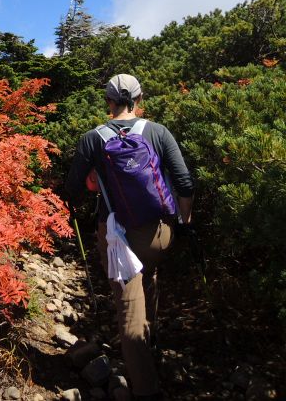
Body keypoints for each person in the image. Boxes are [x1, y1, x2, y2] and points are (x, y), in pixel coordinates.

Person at [64, 74, 194, 401]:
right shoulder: (158, 132)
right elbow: (184, 182)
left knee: (129, 309)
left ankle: (145, 389)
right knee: (149, 275)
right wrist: (184, 222)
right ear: (139, 99)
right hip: (159, 233)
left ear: (108, 101)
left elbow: (72, 188)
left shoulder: (92, 139)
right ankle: (151, 345)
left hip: (117, 236)